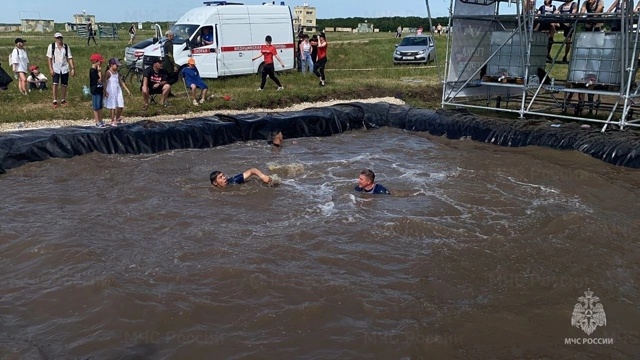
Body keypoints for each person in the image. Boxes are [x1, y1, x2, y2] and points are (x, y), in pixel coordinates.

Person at [47, 32, 75, 108]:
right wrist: (50, 69)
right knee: (55, 84)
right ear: (55, 39)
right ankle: (55, 100)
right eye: (57, 38)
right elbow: (49, 58)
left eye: (60, 38)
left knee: (64, 84)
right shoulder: (51, 46)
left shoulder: (66, 47)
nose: (59, 39)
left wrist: (72, 68)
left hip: (64, 68)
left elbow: (69, 57)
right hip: (55, 67)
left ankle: (63, 99)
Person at [104, 58, 131, 126]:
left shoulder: (117, 73)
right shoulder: (108, 72)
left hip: (118, 90)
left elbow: (121, 82)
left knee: (121, 104)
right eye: (116, 65)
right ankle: (112, 120)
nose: (118, 66)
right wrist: (105, 91)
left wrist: (127, 90)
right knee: (112, 106)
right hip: (111, 90)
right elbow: (104, 82)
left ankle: (118, 117)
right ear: (111, 65)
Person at [88, 53, 105, 128]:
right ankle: (97, 121)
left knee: (100, 106)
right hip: (95, 90)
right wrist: (99, 71)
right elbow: (100, 80)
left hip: (100, 89)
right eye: (100, 62)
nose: (101, 63)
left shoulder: (96, 70)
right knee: (96, 106)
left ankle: (101, 120)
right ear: (95, 61)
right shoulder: (93, 71)